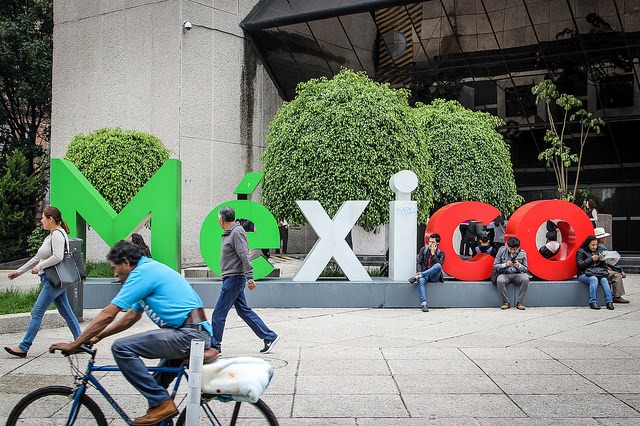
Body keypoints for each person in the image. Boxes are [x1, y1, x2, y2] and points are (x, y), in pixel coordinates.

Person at [49, 240, 213, 425]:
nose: (115, 274)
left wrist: (75, 343)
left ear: (126, 263)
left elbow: (108, 314)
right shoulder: (147, 271)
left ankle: (163, 404)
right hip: (189, 333)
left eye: (114, 267)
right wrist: (96, 336)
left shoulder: (142, 274)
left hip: (189, 335)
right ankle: (161, 408)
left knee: (121, 348)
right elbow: (131, 317)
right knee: (156, 387)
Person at [203, 206, 279, 361]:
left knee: (218, 314)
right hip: (233, 278)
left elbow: (244, 254)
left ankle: (215, 347)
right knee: (243, 311)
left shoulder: (237, 232)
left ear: (221, 219)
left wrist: (250, 277)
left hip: (234, 279)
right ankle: (269, 336)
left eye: (218, 218)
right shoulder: (231, 232)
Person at [4, 206, 82, 358]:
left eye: (43, 218)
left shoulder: (58, 235)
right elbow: (37, 257)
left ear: (51, 219)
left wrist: (39, 267)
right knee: (66, 312)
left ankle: (24, 347)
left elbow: (58, 257)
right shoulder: (51, 235)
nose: (41, 221)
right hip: (53, 279)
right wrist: (19, 272)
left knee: (37, 312)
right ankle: (81, 342)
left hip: (52, 281)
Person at [409, 233, 445, 312]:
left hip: (434, 276)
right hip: (425, 274)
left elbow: (440, 264)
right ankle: (423, 304)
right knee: (421, 281)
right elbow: (418, 262)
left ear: (437, 243)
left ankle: (419, 276)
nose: (430, 244)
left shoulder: (441, 254)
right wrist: (419, 271)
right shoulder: (424, 250)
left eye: (432, 242)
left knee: (438, 265)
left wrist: (433, 254)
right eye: (429, 241)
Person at [576, 235, 614, 310]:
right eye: (592, 245)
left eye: (596, 245)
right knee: (593, 279)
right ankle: (593, 302)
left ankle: (609, 302)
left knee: (604, 280)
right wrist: (591, 259)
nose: (595, 247)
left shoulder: (598, 251)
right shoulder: (581, 251)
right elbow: (580, 265)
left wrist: (602, 261)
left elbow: (603, 267)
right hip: (584, 274)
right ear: (588, 244)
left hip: (597, 272)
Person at [493, 237, 529, 310]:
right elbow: (495, 265)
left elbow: (525, 269)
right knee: (500, 280)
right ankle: (506, 302)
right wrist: (505, 264)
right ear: (507, 246)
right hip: (505, 274)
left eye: (515, 249)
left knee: (525, 279)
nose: (512, 251)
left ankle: (520, 302)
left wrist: (519, 266)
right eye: (511, 249)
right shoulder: (502, 250)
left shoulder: (522, 253)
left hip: (517, 274)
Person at [594, 227, 629, 304]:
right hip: (599, 269)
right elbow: (608, 261)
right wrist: (620, 270)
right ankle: (617, 296)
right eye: (604, 238)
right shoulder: (601, 247)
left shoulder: (596, 246)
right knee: (616, 275)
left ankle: (613, 293)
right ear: (601, 239)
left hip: (598, 267)